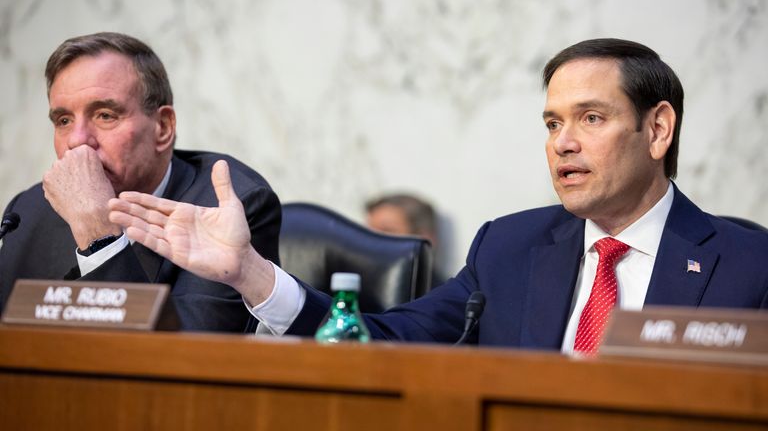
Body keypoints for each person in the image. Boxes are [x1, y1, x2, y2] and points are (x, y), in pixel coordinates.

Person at [107, 38, 768, 353]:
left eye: (591, 119)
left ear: (657, 129)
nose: (563, 143)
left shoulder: (747, 267)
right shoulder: (508, 247)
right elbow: (384, 337)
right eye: (551, 123)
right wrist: (252, 275)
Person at [0, 32, 281, 332]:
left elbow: (183, 363)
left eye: (105, 115)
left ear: (162, 127)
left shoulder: (231, 208)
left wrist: (99, 236)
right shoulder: (27, 213)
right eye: (64, 121)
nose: (78, 141)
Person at [365, 193, 447, 287]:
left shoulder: (446, 298)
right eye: (368, 232)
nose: (371, 241)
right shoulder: (361, 290)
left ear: (425, 238)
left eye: (386, 231)